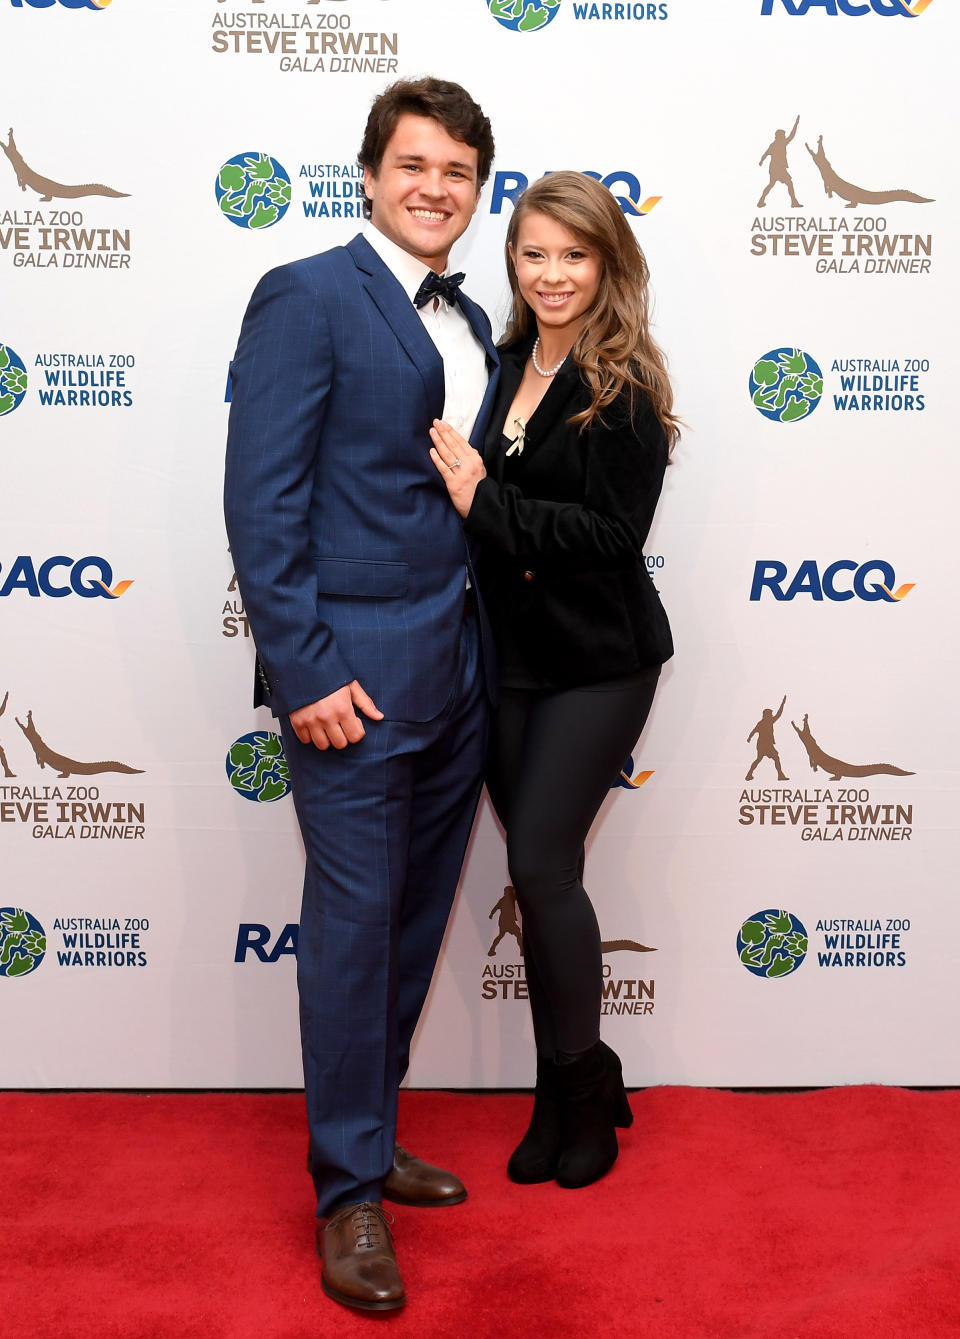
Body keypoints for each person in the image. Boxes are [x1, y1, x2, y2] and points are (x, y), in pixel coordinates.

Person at [224, 78, 498, 1313]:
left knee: (410, 928)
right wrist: (305, 670)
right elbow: (262, 502)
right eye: (414, 164)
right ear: (371, 174)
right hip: (350, 687)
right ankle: (346, 1196)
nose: (434, 187)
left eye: (458, 170)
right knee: (348, 935)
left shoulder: (477, 318)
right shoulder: (308, 294)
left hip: (456, 677)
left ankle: (375, 1135)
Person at [429, 170, 678, 1190]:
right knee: (538, 882)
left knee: (540, 865)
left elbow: (612, 537)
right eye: (534, 253)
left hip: (599, 662)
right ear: (514, 260)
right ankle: (570, 1081)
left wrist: (485, 502)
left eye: (573, 254)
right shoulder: (501, 365)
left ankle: (576, 1091)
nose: (552, 273)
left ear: (608, 262)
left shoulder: (627, 385)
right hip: (507, 661)